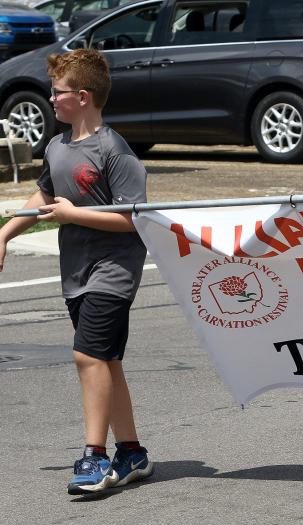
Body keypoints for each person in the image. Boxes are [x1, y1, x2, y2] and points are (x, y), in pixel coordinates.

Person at [0, 49, 154, 495]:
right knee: (106, 361)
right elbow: (43, 196)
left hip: (115, 270)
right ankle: (132, 452)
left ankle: (95, 457)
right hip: (77, 270)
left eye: (57, 91)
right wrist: (6, 234)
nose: (50, 97)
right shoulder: (56, 146)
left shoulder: (114, 149)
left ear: (83, 97)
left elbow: (132, 218)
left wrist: (74, 215)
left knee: (87, 356)